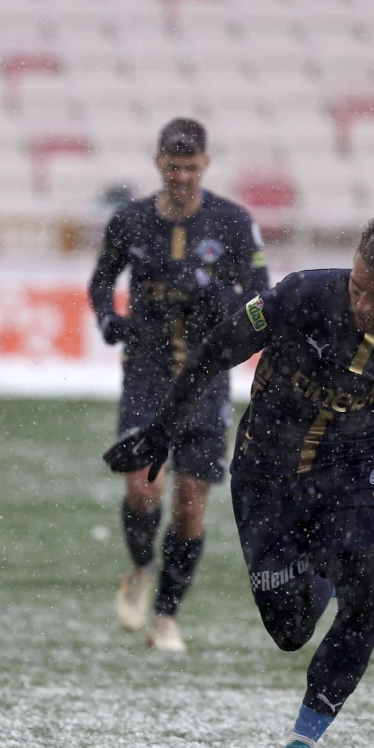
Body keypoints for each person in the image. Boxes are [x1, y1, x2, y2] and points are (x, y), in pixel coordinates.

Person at [105, 215, 374, 748]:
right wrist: (162, 430)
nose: (363, 305)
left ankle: (301, 746)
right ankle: (327, 567)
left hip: (349, 471)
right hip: (266, 476)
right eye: (358, 287)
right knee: (291, 630)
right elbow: (214, 350)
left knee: (371, 588)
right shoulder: (301, 294)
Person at [88, 117, 269, 652]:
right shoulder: (130, 220)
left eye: (190, 167)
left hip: (206, 377)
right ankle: (142, 565)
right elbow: (101, 281)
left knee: (190, 506)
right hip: (146, 373)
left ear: (205, 165)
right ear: (158, 164)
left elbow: (261, 299)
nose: (181, 176)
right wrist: (108, 318)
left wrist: (210, 288)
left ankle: (166, 616)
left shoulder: (234, 223)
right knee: (143, 491)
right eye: (173, 167)